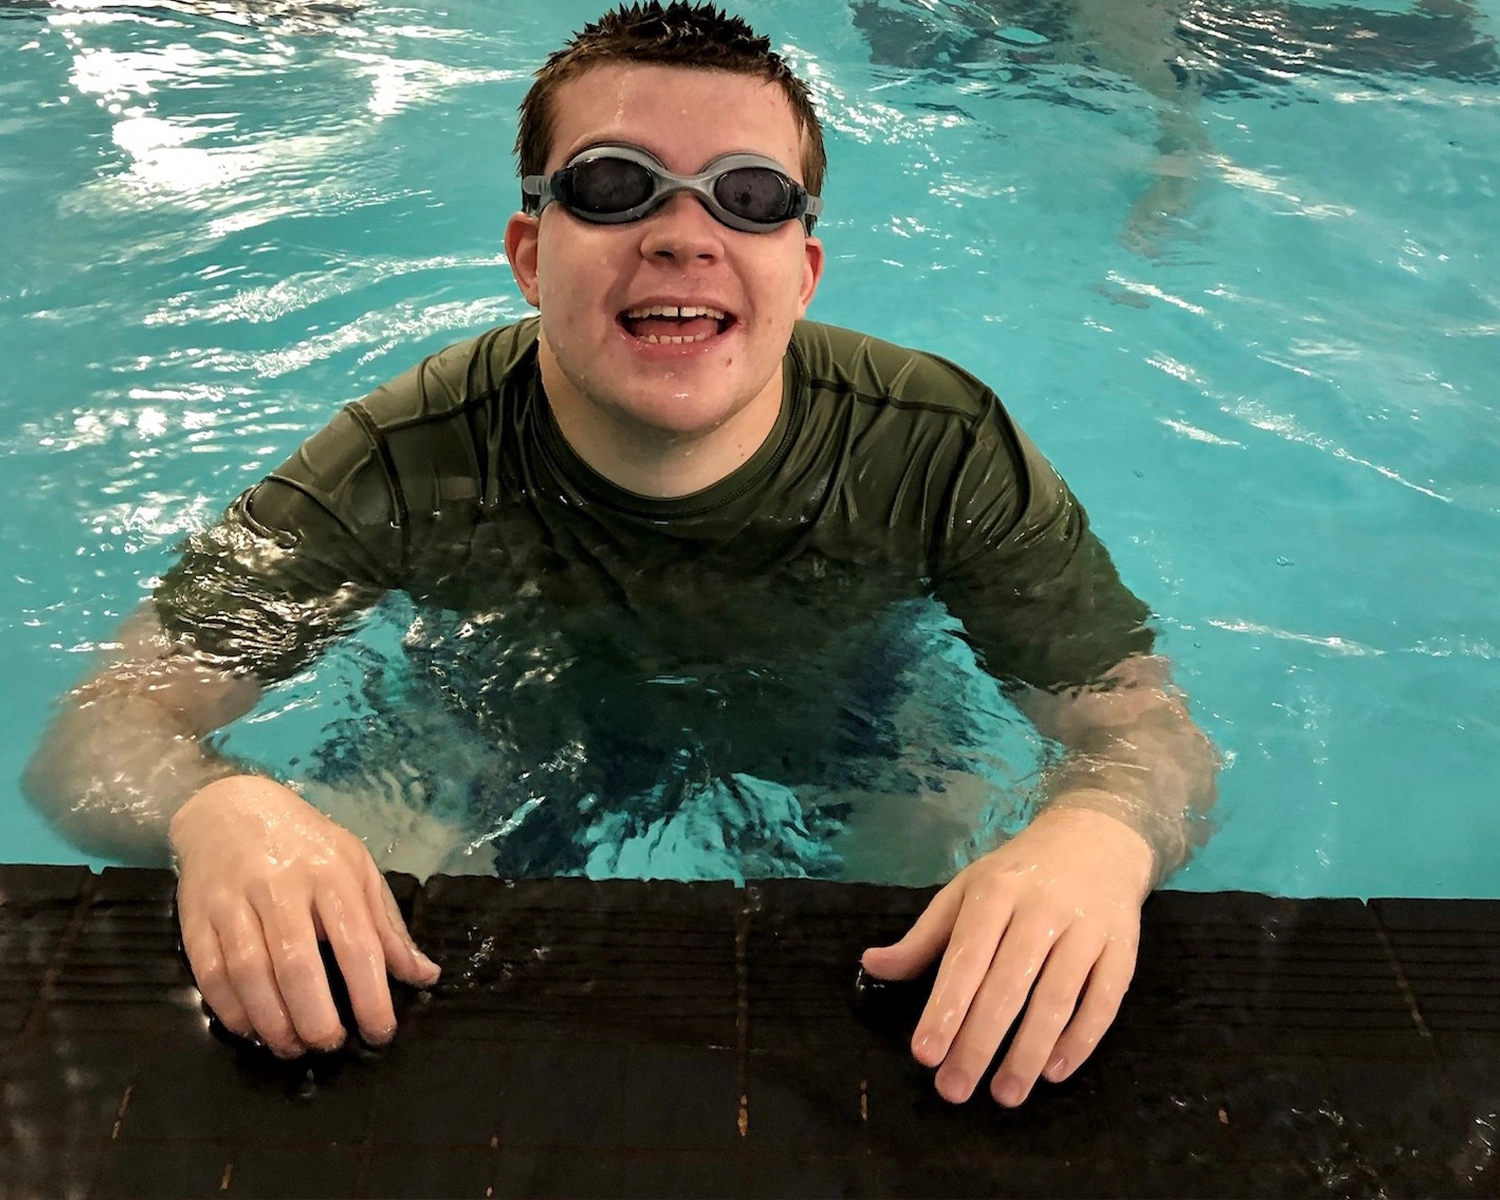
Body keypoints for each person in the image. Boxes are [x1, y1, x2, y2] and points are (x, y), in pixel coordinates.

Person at [23, 0, 1218, 1108]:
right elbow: (100, 735)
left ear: (801, 271)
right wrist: (220, 812)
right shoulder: (406, 456)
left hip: (849, 729)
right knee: (329, 958)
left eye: (747, 195)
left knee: (954, 953)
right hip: (496, 729)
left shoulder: (936, 446)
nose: (683, 237)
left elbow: (1144, 736)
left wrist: (1096, 835)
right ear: (531, 251)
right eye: (614, 184)